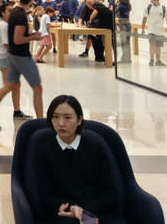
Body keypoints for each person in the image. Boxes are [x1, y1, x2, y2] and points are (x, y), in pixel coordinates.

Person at [34, 95, 127, 224]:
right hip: (62, 214)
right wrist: (70, 207)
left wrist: (85, 212)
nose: (61, 123)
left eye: (67, 117)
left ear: (79, 120)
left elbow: (112, 191)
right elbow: (42, 194)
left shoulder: (96, 145)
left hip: (96, 211)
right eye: (55, 117)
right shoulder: (43, 148)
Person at [0, 0, 44, 130]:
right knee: (37, 88)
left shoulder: (16, 12)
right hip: (21, 56)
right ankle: (41, 122)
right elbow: (17, 39)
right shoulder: (19, 15)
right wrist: (33, 37)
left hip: (12, 56)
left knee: (9, 86)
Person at [142, 0, 167, 67]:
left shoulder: (163, 8)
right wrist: (143, 29)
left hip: (160, 31)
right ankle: (151, 60)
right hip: (151, 30)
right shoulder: (148, 7)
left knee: (158, 46)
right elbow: (144, 18)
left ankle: (158, 60)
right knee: (152, 45)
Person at [87, 0, 114, 64]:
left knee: (106, 43)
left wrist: (90, 20)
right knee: (103, 42)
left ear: (89, 5)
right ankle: (103, 58)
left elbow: (96, 11)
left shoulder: (96, 5)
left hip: (106, 25)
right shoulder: (100, 5)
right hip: (108, 24)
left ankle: (108, 60)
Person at [115, 0, 132, 64]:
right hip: (127, 25)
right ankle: (127, 58)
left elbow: (113, 11)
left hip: (123, 26)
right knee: (127, 43)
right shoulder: (127, 5)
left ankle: (125, 59)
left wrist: (116, 3)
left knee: (124, 43)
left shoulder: (121, 6)